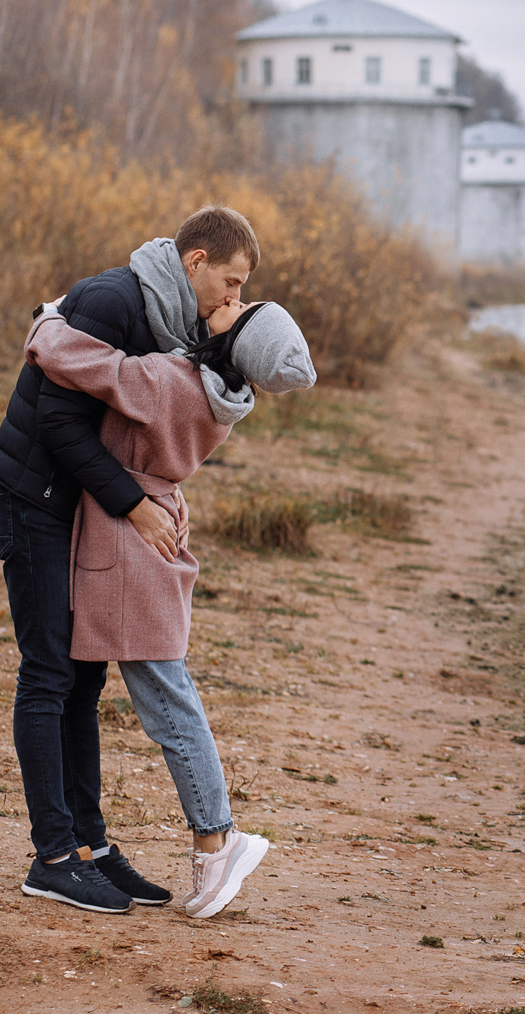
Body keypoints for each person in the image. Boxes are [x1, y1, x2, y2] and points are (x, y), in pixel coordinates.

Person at [0, 206, 259, 914]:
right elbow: (59, 422)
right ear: (195, 260)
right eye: (227, 283)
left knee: (81, 676)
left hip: (72, 504)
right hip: (34, 499)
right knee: (47, 673)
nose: (230, 299)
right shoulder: (115, 300)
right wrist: (134, 504)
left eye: (241, 292)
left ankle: (90, 846)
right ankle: (52, 857)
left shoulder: (173, 319)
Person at [22, 293, 315, 916]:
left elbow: (79, 361)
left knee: (166, 700)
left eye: (240, 308)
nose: (228, 301)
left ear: (240, 344)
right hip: (152, 530)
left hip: (132, 543)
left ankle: (217, 841)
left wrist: (50, 317)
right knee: (165, 691)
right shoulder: (220, 394)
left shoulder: (168, 382)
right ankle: (159, 843)